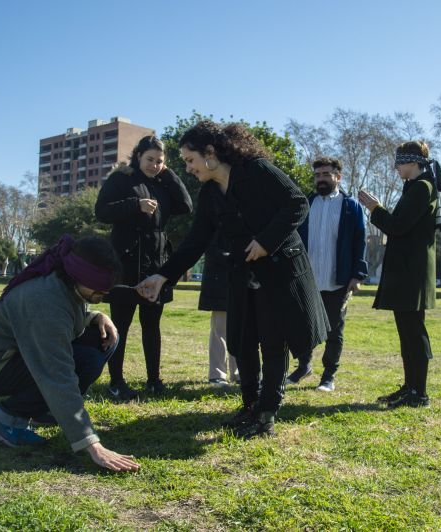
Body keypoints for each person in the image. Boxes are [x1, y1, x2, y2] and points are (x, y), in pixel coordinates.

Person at [137, 120, 328, 438]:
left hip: (279, 270)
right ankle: (250, 405)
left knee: (272, 341)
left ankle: (267, 413)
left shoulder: (256, 169)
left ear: (209, 153)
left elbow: (297, 203)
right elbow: (195, 241)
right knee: (243, 340)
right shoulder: (210, 193)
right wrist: (162, 276)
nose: (188, 167)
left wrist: (266, 241)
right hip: (242, 272)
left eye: (190, 159)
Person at [0, 235, 140, 472]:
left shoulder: (65, 281)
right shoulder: (44, 300)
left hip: (22, 351)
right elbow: (57, 375)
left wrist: (94, 316)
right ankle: (7, 419)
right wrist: (92, 444)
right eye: (99, 289)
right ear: (80, 275)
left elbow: (69, 316)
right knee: (85, 361)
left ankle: (42, 410)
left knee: (103, 338)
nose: (104, 294)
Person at [95, 135, 193, 400]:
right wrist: (134, 205)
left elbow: (186, 206)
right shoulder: (122, 178)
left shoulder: (163, 182)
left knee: (152, 324)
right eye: (150, 159)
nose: (154, 165)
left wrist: (169, 174)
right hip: (125, 262)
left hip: (156, 262)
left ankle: (154, 380)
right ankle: (116, 382)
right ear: (138, 156)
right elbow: (101, 212)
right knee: (121, 325)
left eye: (160, 161)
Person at [357, 141, 438, 408]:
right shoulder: (416, 187)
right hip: (408, 271)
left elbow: (397, 226)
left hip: (412, 272)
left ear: (413, 162)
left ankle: (420, 393)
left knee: (414, 333)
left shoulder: (422, 188)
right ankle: (410, 387)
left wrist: (375, 208)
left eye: (400, 162)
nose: (396, 167)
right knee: (407, 333)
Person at [287, 157, 368, 392]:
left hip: (338, 280)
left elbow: (359, 242)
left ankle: (328, 376)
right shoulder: (305, 203)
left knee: (334, 330)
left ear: (338, 177)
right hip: (306, 279)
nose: (320, 179)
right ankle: (303, 366)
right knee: (302, 327)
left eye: (326, 174)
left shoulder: (350, 207)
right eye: (317, 175)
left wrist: (357, 275)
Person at [199, 232, 239, 387]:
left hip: (241, 275)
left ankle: (239, 372)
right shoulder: (215, 213)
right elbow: (209, 246)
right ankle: (217, 374)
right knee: (219, 329)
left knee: (240, 329)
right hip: (219, 277)